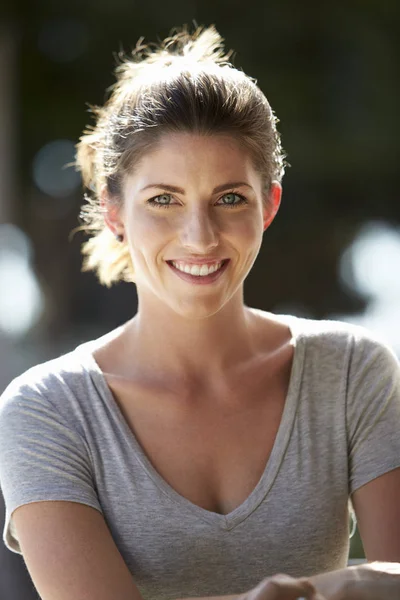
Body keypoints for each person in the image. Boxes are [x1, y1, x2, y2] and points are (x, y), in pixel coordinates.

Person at [0, 25, 400, 600]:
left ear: (269, 204)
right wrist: (337, 588)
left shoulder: (352, 373)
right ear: (113, 210)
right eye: (163, 200)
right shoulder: (47, 412)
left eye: (230, 198)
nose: (200, 236)